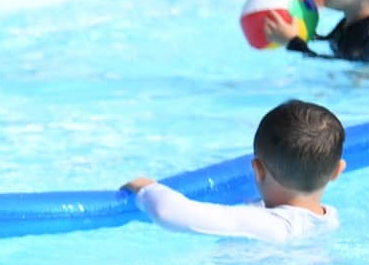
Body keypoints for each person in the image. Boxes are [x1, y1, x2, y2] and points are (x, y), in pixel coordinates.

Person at [123, 99, 344, 243]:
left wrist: (145, 188)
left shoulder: (269, 226)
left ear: (257, 169)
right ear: (337, 171)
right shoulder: (330, 220)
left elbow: (170, 213)